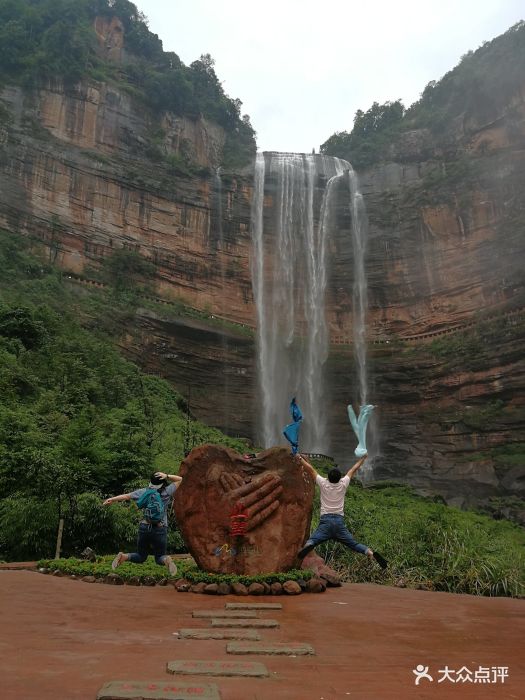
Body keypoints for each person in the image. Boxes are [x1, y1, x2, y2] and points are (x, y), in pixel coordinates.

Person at [296, 454, 387, 568]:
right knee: (354, 544)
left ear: (328, 477)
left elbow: (311, 470)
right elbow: (353, 469)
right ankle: (370, 552)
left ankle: (309, 545)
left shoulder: (323, 483)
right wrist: (363, 458)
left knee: (313, 540)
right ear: (340, 478)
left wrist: (300, 459)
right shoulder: (343, 484)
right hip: (339, 523)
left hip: (325, 522)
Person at [102, 471, 182, 576]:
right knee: (159, 557)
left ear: (150, 481)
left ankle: (124, 557)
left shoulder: (144, 491)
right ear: (162, 482)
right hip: (160, 528)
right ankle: (166, 560)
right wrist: (166, 476)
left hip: (144, 527)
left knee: (141, 556)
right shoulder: (167, 492)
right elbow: (180, 479)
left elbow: (127, 496)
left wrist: (112, 499)